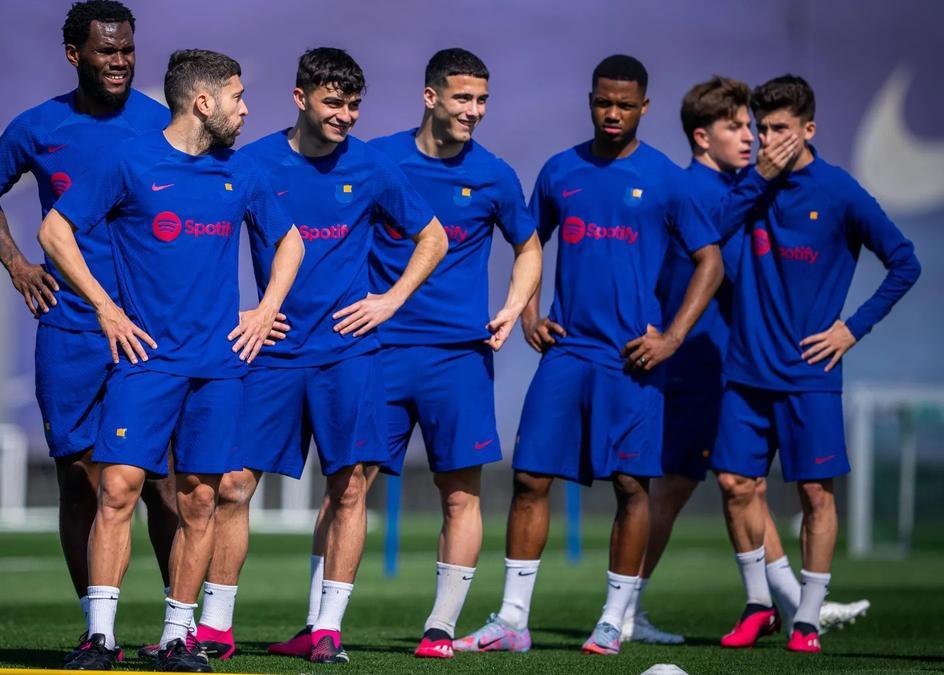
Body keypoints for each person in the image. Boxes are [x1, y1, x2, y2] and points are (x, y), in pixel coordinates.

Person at [39, 48, 305, 671]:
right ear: (203, 102)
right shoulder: (129, 161)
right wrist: (106, 308)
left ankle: (179, 638)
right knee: (117, 491)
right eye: (237, 97)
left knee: (201, 500)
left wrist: (266, 309)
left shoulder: (243, 174)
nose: (246, 110)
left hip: (218, 368)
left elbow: (288, 241)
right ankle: (99, 638)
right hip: (146, 363)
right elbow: (55, 231)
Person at [455, 54, 723, 656]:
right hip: (567, 353)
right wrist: (528, 311)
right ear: (591, 99)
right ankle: (513, 620)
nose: (613, 113)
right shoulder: (560, 171)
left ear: (644, 108)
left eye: (625, 105)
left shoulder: (665, 180)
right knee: (529, 479)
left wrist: (673, 336)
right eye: (604, 102)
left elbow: (711, 261)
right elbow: (529, 241)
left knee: (631, 485)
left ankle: (612, 620)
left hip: (632, 362)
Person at [196, 47, 447, 665]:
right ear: (300, 97)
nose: (346, 116)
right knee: (231, 488)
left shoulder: (372, 166)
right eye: (334, 102)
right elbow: (203, 238)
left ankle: (326, 628)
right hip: (271, 351)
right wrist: (233, 313)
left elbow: (433, 236)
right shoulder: (249, 162)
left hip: (348, 355)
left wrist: (389, 301)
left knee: (350, 491)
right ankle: (215, 628)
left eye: (354, 104)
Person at [0, 1, 178, 664]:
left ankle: (181, 625)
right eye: (106, 51)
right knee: (79, 477)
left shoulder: (162, 123)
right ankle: (99, 629)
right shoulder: (37, 127)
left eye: (127, 51)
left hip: (148, 326)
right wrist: (17, 264)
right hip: (70, 328)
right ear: (73, 54)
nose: (119, 62)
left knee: (161, 479)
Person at [624, 75, 870, 646]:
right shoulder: (713, 195)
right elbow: (741, 275)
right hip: (703, 367)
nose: (752, 138)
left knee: (741, 486)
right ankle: (626, 608)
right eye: (738, 126)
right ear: (702, 137)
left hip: (721, 363)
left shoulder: (735, 190)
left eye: (753, 126)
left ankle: (790, 601)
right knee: (679, 490)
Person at [711, 74, 919, 654]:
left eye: (778, 129)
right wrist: (758, 178)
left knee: (816, 497)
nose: (767, 139)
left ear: (808, 129)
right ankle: (758, 606)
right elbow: (709, 231)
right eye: (760, 128)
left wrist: (852, 328)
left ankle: (805, 619)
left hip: (809, 375)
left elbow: (905, 262)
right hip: (746, 370)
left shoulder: (841, 192)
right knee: (733, 484)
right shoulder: (750, 186)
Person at [366, 48, 541, 659]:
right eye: (463, 98)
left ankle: (439, 628)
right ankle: (321, 622)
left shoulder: (493, 174)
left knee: (461, 493)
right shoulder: (378, 159)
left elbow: (529, 247)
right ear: (430, 96)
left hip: (458, 357)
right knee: (347, 486)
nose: (474, 111)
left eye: (482, 100)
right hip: (379, 348)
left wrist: (515, 307)